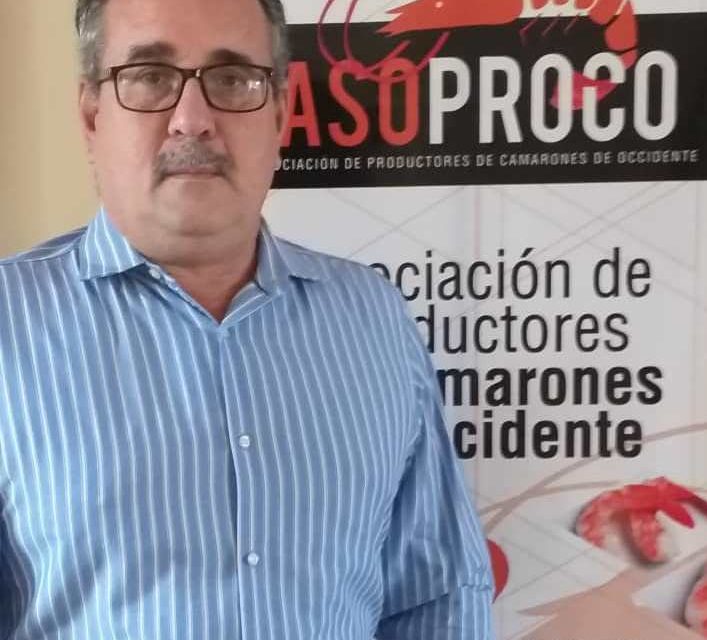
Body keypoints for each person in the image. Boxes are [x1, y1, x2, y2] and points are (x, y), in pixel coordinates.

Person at [0, 0, 494, 637]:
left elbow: (439, 595)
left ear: (281, 113)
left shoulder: (372, 319)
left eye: (233, 79)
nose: (192, 119)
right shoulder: (11, 323)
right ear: (93, 114)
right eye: (149, 76)